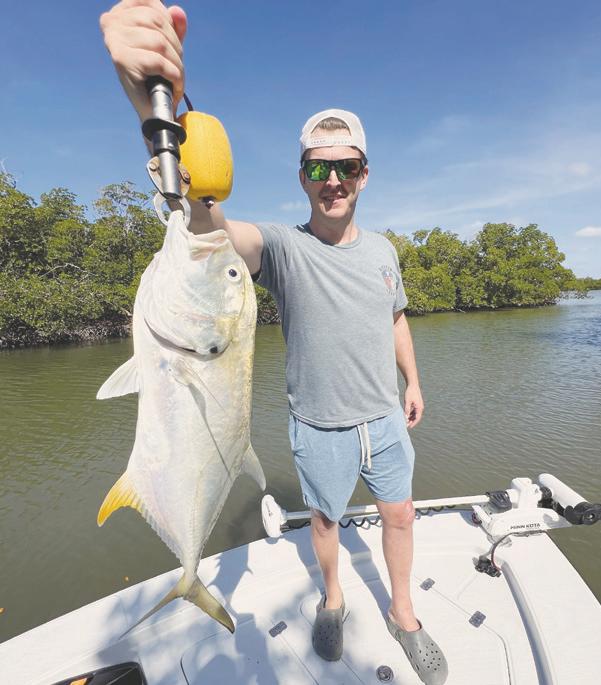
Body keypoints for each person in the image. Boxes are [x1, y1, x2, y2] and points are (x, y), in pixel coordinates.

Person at [100, 2, 448, 683]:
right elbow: (207, 224)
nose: (333, 181)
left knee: (401, 515)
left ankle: (404, 613)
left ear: (365, 174)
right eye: (318, 169)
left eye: (346, 167)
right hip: (318, 425)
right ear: (302, 176)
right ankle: (333, 598)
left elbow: (396, 318)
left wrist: (413, 381)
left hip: (385, 418)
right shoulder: (283, 248)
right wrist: (153, 109)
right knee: (324, 521)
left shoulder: (385, 250)